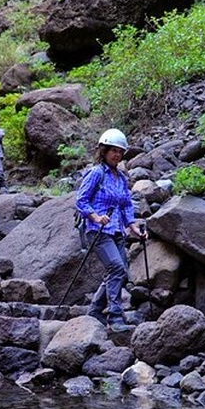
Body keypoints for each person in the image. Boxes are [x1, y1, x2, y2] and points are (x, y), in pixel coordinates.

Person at [75, 128, 147, 332]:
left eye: (120, 151)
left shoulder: (121, 178)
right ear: (104, 151)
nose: (117, 155)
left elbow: (125, 205)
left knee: (121, 272)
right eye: (113, 150)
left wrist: (133, 228)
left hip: (116, 231)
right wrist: (96, 217)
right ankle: (115, 316)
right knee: (116, 268)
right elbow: (80, 200)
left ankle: (95, 310)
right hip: (97, 231)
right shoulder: (96, 173)